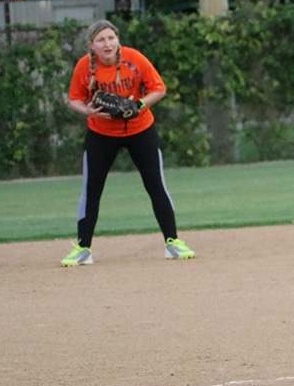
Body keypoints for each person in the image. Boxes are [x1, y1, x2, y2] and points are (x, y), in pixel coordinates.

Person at [61, 19, 195, 266]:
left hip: (140, 129)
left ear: (117, 40)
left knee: (155, 185)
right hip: (101, 133)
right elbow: (74, 99)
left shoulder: (134, 59)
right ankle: (83, 248)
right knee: (92, 190)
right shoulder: (85, 67)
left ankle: (172, 242)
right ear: (92, 45)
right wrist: (89, 111)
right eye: (101, 40)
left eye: (111, 38)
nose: (107, 43)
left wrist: (139, 105)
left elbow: (159, 88)